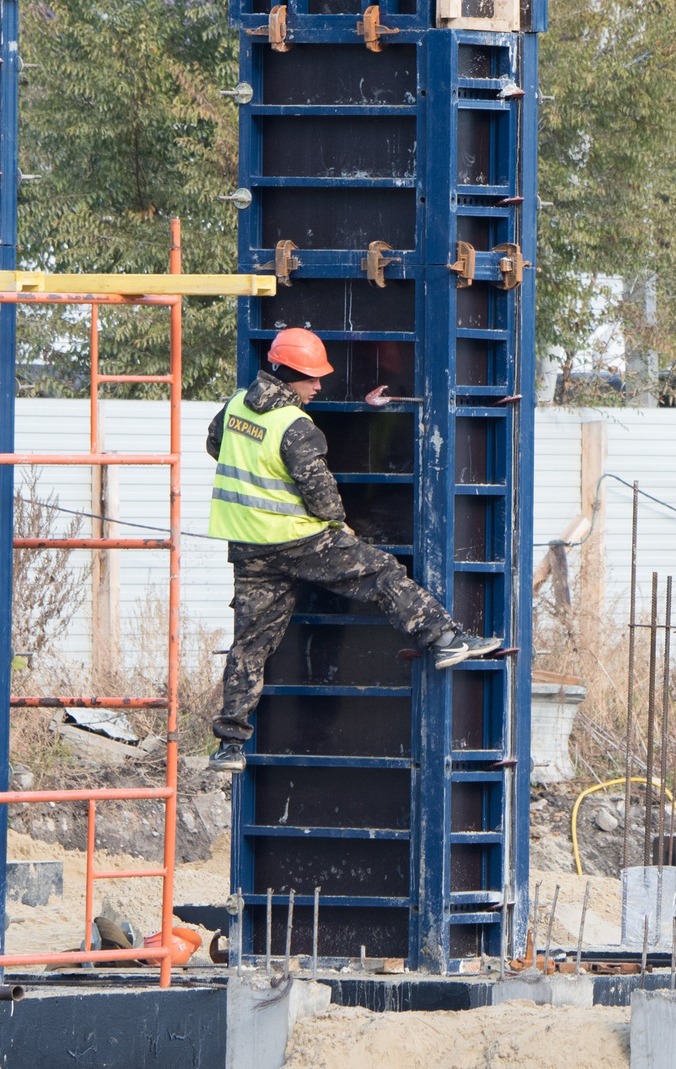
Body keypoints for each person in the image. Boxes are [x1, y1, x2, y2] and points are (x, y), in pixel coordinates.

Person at [203, 327, 498, 773]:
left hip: (248, 546)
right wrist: (341, 526)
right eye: (313, 377)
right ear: (290, 373)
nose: (319, 386)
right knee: (382, 573)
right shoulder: (295, 425)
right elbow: (322, 495)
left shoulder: (235, 406)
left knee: (250, 645)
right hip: (300, 540)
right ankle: (445, 639)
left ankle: (229, 746)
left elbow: (215, 445)